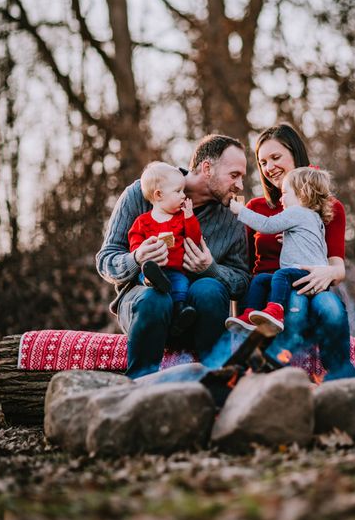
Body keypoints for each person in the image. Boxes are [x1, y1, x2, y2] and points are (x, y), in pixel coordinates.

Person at [96, 134, 250, 379]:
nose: (240, 185)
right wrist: (136, 258)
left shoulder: (231, 218)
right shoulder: (142, 192)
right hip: (146, 307)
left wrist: (211, 268)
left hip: (198, 315)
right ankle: (138, 386)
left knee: (209, 288)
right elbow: (106, 260)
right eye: (234, 175)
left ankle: (214, 383)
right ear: (206, 168)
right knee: (155, 298)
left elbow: (242, 281)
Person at [226, 123, 355, 379]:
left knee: (331, 306)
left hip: (310, 283)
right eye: (263, 162)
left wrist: (326, 274)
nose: (269, 167)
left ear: (295, 154)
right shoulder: (256, 208)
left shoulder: (328, 208)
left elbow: (337, 267)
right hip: (269, 295)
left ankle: (341, 373)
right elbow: (243, 266)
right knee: (292, 308)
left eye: (276, 157)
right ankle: (275, 367)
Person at [228, 167, 333, 334]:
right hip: (312, 276)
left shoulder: (296, 212)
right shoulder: (314, 217)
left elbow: (266, 225)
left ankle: (276, 311)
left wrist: (240, 210)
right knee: (261, 279)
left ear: (302, 193)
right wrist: (291, 240)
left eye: (285, 193)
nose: (281, 198)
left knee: (280, 274)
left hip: (305, 275)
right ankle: (249, 315)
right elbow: (318, 246)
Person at [128, 161, 202, 337]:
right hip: (153, 267)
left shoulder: (180, 218)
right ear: (159, 194)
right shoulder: (143, 221)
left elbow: (194, 238)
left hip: (175, 269)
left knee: (181, 285)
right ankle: (152, 281)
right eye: (178, 191)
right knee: (146, 272)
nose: (184, 196)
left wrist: (190, 216)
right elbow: (135, 240)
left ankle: (180, 310)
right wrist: (140, 251)